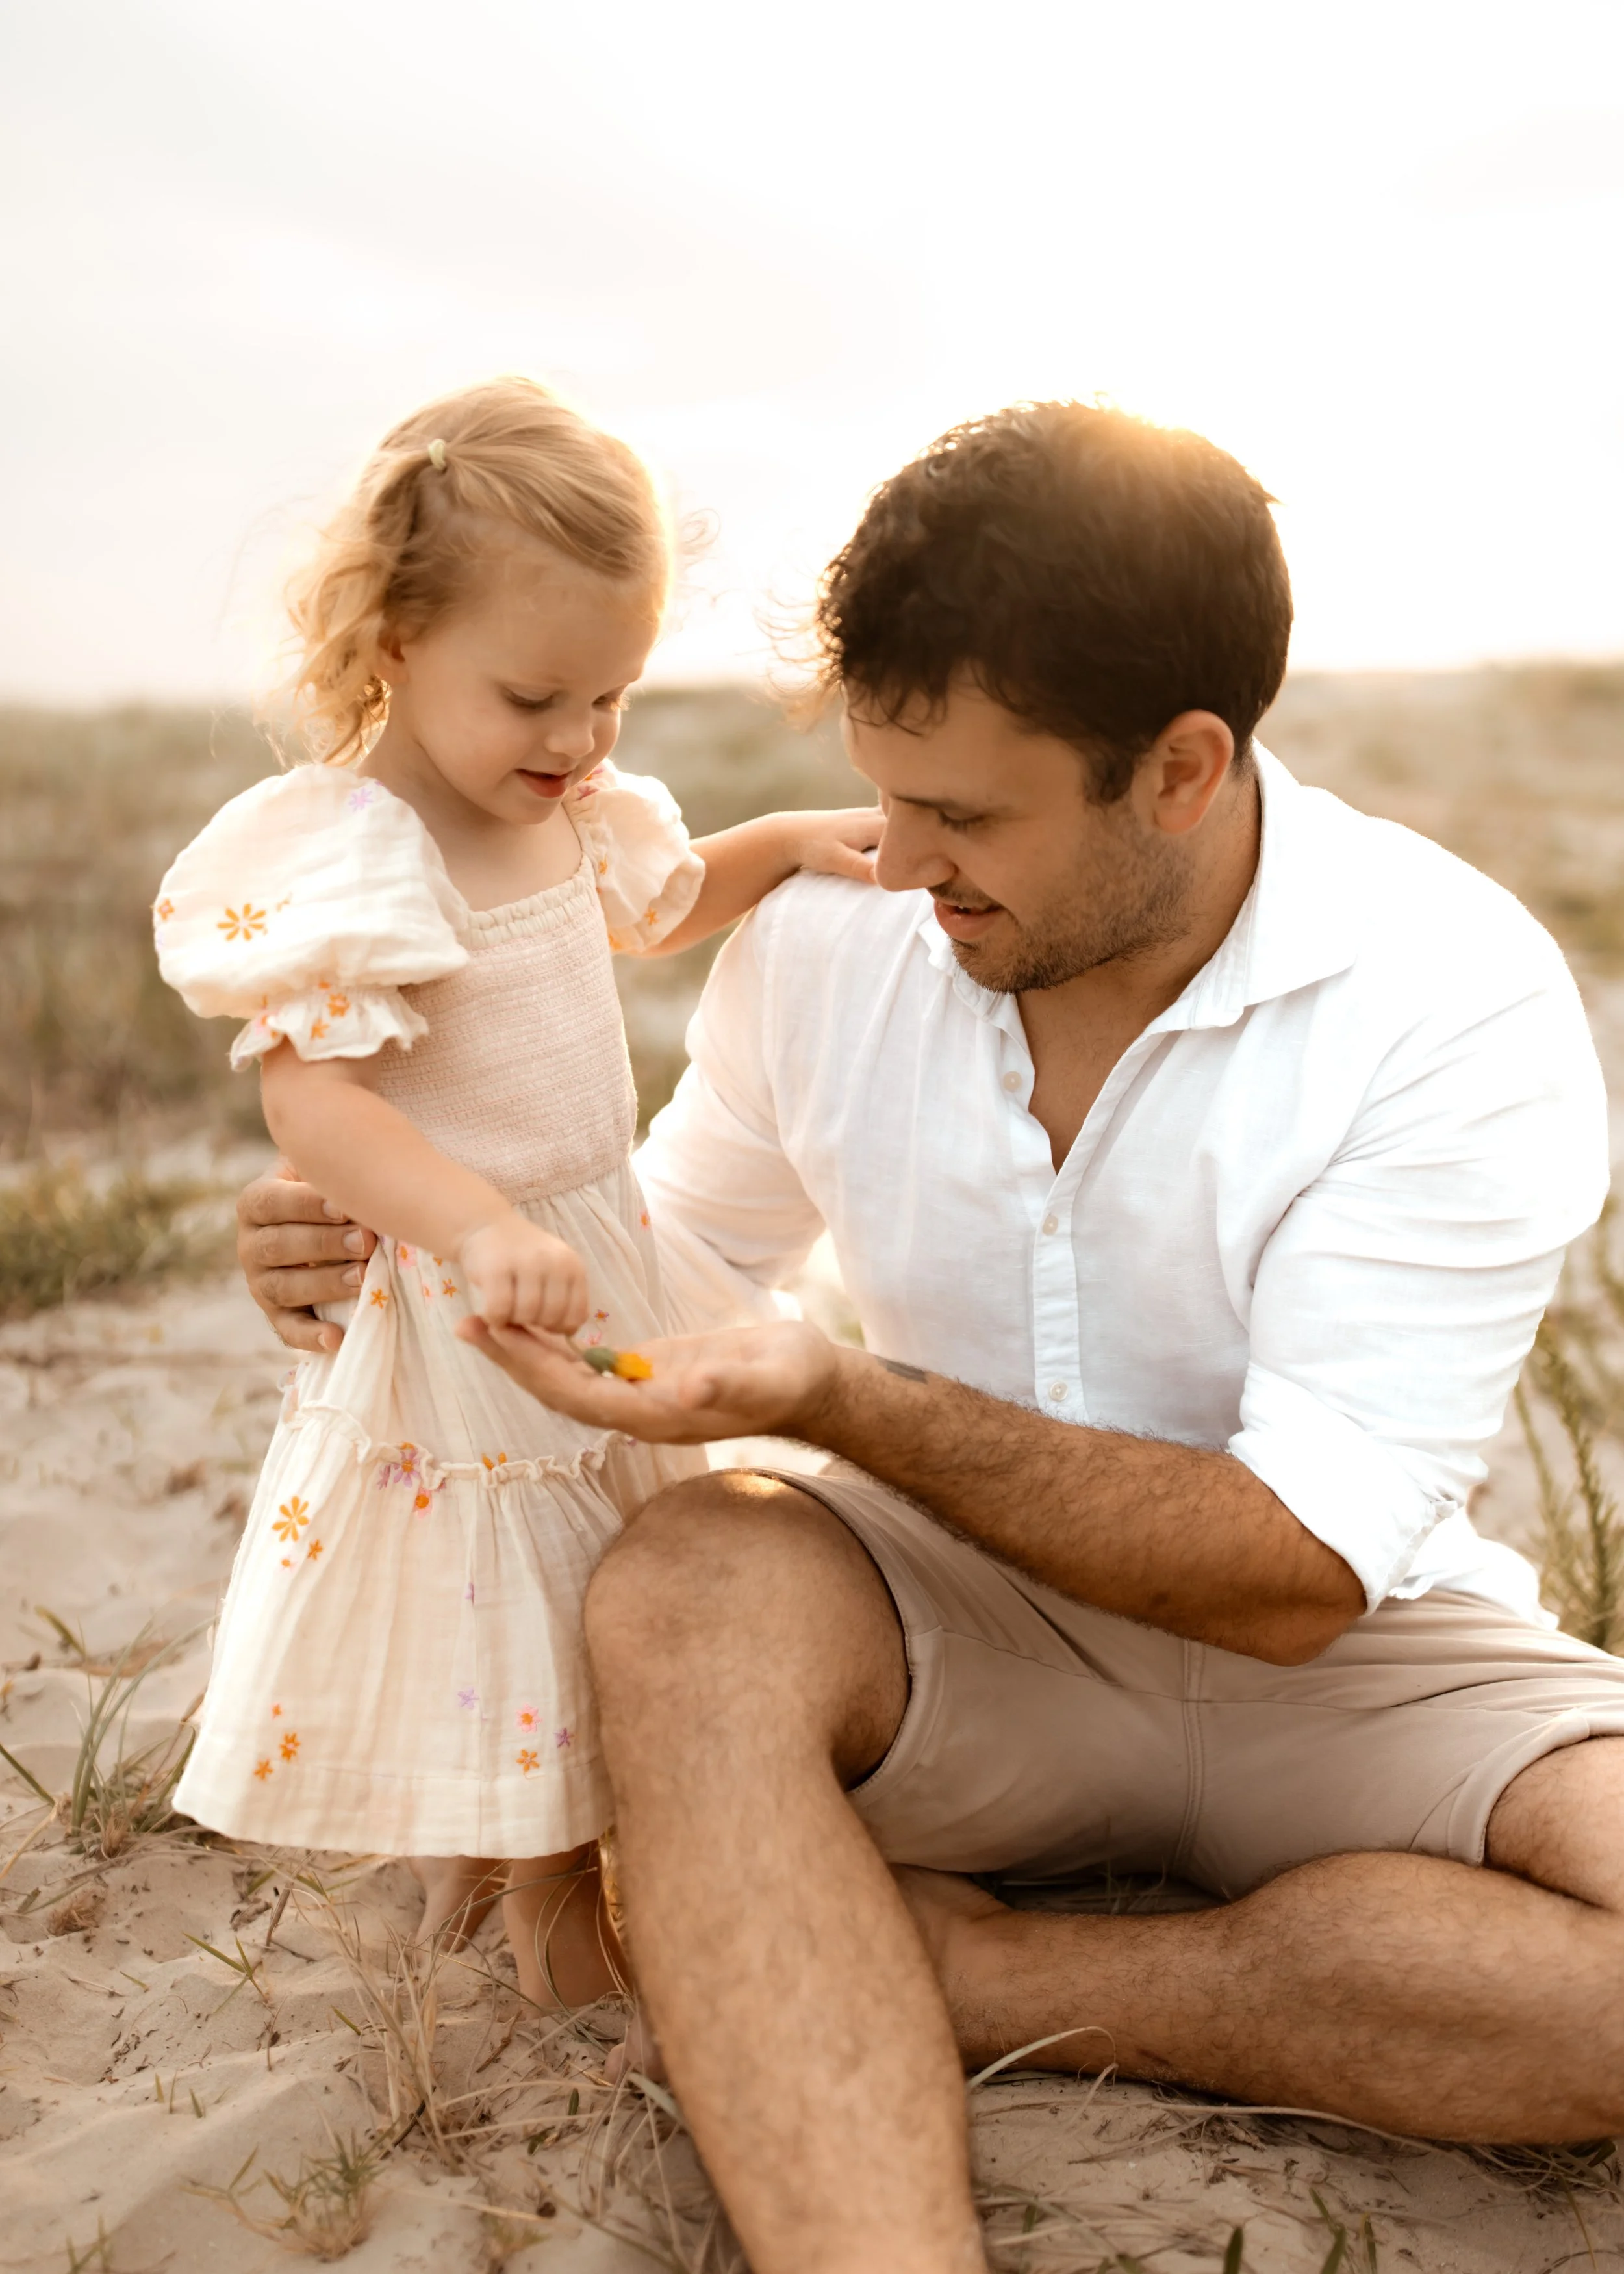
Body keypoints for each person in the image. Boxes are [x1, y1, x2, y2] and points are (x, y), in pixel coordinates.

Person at [238, 402, 1624, 2274]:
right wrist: (390, 1261)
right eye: (884, 793)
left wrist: (846, 1397)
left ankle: (971, 1972)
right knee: (689, 1587)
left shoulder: (1444, 994)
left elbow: (1298, 1569)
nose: (896, 861)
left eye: (964, 816)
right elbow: (669, 1271)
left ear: (1182, 770)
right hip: (950, 1630)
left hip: (1356, 1653)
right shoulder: (834, 935)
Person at [155, 376, 880, 2013]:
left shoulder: (572, 811)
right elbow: (311, 1097)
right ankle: (542, 1920)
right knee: (521, 1598)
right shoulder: (362, 852)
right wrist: (474, 1223)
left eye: (611, 697)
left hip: (590, 1251)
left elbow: (659, 908)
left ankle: (497, 1876)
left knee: (591, 1575)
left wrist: (785, 839)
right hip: (469, 1290)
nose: (578, 741)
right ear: (396, 639)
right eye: (535, 697)